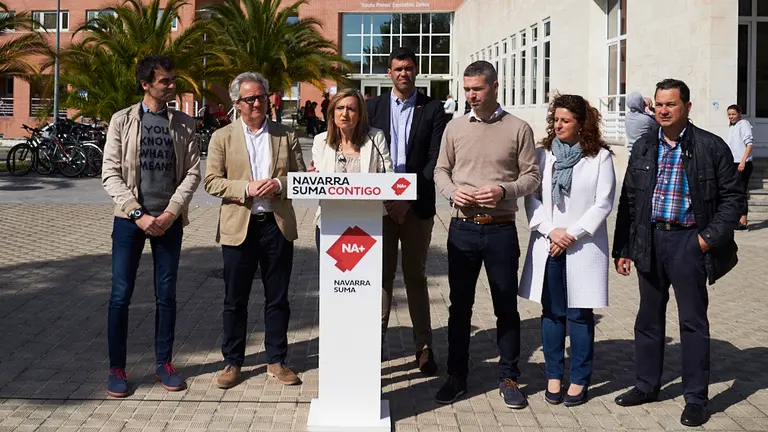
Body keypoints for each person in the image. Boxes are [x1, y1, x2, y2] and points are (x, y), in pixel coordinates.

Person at [612, 79, 745, 427]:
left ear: (686, 106)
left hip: (688, 242)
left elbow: (733, 199)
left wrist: (706, 240)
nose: (664, 110)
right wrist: (624, 247)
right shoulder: (643, 146)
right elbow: (629, 200)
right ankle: (646, 385)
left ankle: (696, 398)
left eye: (671, 104)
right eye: (659, 104)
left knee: (692, 323)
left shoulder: (710, 146)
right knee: (648, 320)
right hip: (650, 242)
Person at [433, 61, 540, 407]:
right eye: (466, 89)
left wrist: (503, 191)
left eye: (477, 88)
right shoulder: (455, 128)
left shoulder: (518, 128)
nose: (471, 95)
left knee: (505, 307)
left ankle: (509, 377)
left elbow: (532, 177)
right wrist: (451, 192)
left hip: (501, 231)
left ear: (495, 86)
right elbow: (440, 171)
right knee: (459, 307)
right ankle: (457, 375)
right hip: (462, 228)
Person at [102, 55, 201, 398]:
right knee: (120, 295)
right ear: (146, 84)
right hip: (130, 222)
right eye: (165, 82)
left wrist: (172, 212)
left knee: (167, 295)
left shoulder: (185, 124)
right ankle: (117, 367)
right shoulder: (122, 121)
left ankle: (164, 363)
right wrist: (136, 213)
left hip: (169, 222)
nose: (172, 86)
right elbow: (110, 173)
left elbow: (192, 173)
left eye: (173, 80)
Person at [204, 72, 307, 390]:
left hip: (276, 227)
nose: (257, 103)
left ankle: (276, 359)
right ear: (237, 103)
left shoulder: (284, 135)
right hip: (239, 228)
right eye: (250, 98)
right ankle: (232, 361)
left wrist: (279, 184)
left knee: (277, 299)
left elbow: (302, 178)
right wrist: (246, 187)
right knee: (235, 299)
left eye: (261, 96)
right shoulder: (222, 137)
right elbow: (211, 181)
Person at [519, 94, 616, 407]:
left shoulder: (599, 157)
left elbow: (604, 202)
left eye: (565, 120)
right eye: (555, 120)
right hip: (548, 243)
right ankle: (553, 375)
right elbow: (531, 196)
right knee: (552, 313)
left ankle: (579, 379)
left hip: (581, 246)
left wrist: (570, 235)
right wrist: (551, 231)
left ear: (581, 124)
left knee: (579, 314)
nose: (558, 125)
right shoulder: (543, 154)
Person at [366, 47, 446, 376]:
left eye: (409, 68)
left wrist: (405, 198)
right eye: (398, 68)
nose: (404, 73)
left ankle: (423, 347)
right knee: (381, 279)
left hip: (416, 206)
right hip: (381, 208)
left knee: (415, 276)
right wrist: (388, 199)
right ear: (389, 72)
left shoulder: (433, 108)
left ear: (416, 70)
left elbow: (434, 159)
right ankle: (373, 347)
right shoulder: (372, 107)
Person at [312, 88, 393, 249]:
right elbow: (319, 180)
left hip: (368, 223)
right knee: (333, 273)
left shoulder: (376, 137)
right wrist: (312, 178)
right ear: (332, 112)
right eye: (340, 108)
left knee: (366, 273)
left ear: (360, 114)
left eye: (351, 109)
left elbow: (388, 176)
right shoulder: (320, 141)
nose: (344, 114)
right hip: (330, 222)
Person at [726, 104, 754, 231]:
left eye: (733, 114)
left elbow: (749, 145)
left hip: (743, 163)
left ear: (739, 114)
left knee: (741, 192)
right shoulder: (733, 127)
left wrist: (743, 162)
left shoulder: (744, 124)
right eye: (729, 114)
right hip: (734, 163)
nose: (731, 116)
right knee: (735, 192)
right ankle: (737, 218)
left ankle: (743, 222)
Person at [625, 92, 658, 158]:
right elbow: (658, 124)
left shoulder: (627, 116)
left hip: (631, 153)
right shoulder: (646, 119)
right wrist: (651, 111)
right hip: (643, 154)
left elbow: (634, 102)